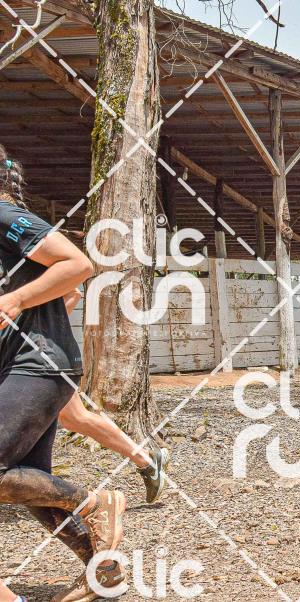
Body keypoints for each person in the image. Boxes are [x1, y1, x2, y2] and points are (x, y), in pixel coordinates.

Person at [0, 148, 127, 602]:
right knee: (31, 485)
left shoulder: (4, 215)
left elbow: (78, 265)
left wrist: (16, 300)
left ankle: (94, 502)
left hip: (40, 364)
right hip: (28, 367)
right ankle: (102, 572)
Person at [57, 289, 170, 504]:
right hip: (20, 358)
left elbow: (72, 293)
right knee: (72, 418)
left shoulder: (23, 273)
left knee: (75, 417)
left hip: (40, 358)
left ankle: (146, 461)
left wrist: (39, 332)